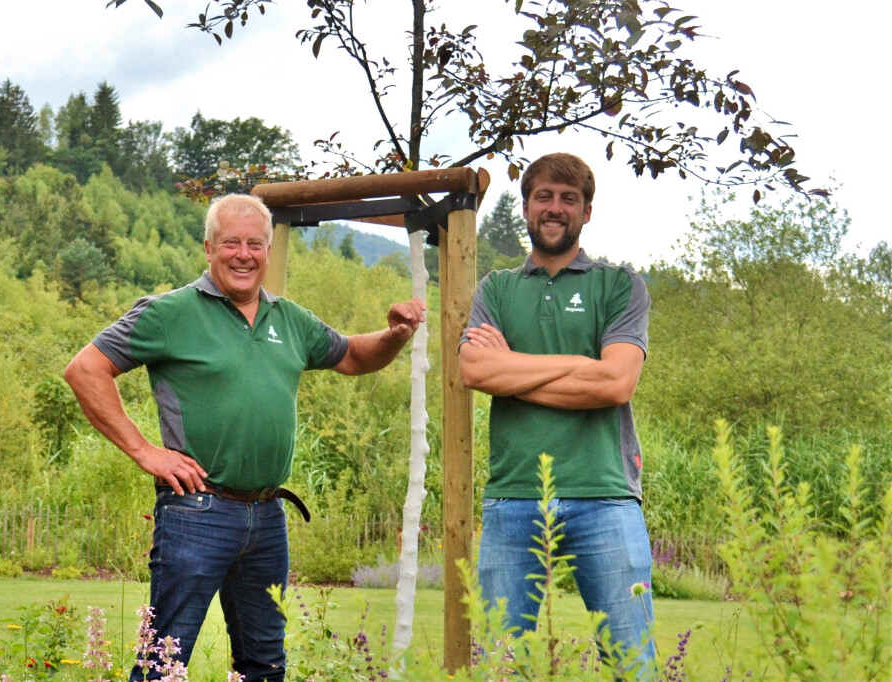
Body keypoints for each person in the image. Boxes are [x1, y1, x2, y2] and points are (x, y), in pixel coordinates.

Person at [64, 193, 425, 682]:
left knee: (264, 666)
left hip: (268, 517)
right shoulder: (171, 313)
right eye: (230, 242)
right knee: (164, 663)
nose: (243, 254)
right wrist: (145, 451)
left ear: (268, 252)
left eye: (255, 244)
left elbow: (354, 357)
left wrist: (395, 336)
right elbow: (86, 369)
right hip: (197, 512)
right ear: (208, 248)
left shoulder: (291, 320)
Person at [458, 152, 654, 673]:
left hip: (606, 496)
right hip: (513, 498)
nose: (555, 207)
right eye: (543, 196)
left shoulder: (620, 286)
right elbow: (477, 372)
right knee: (502, 666)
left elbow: (616, 383)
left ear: (587, 212)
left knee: (631, 665)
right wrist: (576, 365)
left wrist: (514, 369)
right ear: (525, 207)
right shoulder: (495, 290)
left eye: (569, 198)